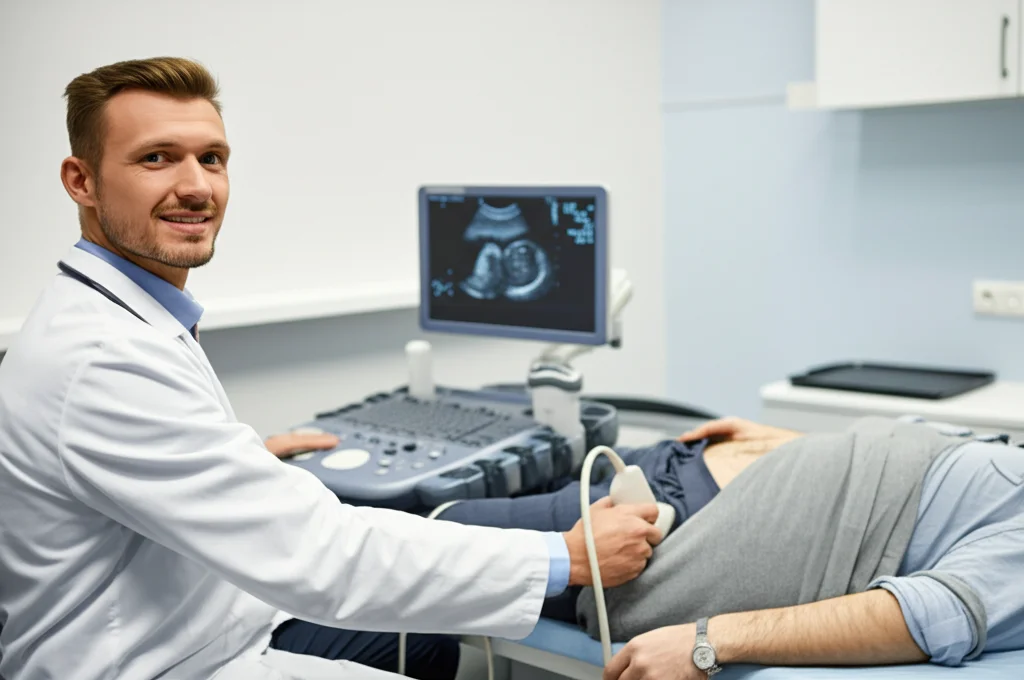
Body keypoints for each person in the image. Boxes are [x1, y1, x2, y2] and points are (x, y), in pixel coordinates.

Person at [0, 57, 664, 680]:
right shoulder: (103, 359)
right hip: (155, 661)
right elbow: (321, 555)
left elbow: (143, 470)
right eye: (156, 159)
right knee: (486, 561)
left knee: (429, 634)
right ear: (80, 180)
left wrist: (226, 460)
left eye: (212, 158)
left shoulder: (115, 316)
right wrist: (566, 558)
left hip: (203, 621)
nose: (196, 185)